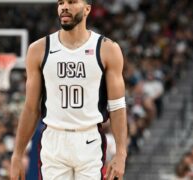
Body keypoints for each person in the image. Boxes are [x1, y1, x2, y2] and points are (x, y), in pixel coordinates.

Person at [10, 0, 127, 180]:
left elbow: (117, 106)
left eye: (72, 2)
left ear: (87, 9)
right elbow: (31, 108)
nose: (64, 6)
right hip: (53, 139)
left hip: (89, 139)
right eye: (61, 2)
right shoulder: (38, 49)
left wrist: (121, 153)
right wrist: (17, 154)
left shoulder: (107, 49)